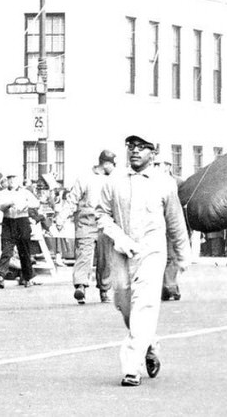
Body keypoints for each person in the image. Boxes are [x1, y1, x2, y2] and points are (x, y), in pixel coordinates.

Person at [97, 133, 188, 389]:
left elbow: (175, 222)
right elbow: (101, 215)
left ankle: (131, 367)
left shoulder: (164, 183)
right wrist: (118, 236)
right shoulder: (114, 181)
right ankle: (149, 343)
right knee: (125, 304)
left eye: (142, 147)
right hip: (121, 252)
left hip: (151, 252)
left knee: (144, 306)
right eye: (131, 146)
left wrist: (183, 254)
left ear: (153, 153)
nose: (135, 151)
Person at [71, 149, 116, 303]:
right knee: (84, 254)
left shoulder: (113, 181)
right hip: (87, 221)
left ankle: (104, 290)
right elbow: (72, 199)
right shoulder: (85, 178)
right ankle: (81, 286)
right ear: (107, 164)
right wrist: (61, 218)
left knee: (106, 258)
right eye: (113, 165)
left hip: (105, 222)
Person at [0, 173, 41, 289]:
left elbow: (36, 203)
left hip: (22, 221)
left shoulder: (25, 192)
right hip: (8, 221)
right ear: (6, 180)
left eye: (14, 178)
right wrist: (8, 204)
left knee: (24, 250)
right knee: (7, 248)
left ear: (19, 180)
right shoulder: (3, 193)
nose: (12, 180)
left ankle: (28, 277)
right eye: (9, 178)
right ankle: (0, 275)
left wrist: (26, 205)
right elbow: (0, 206)